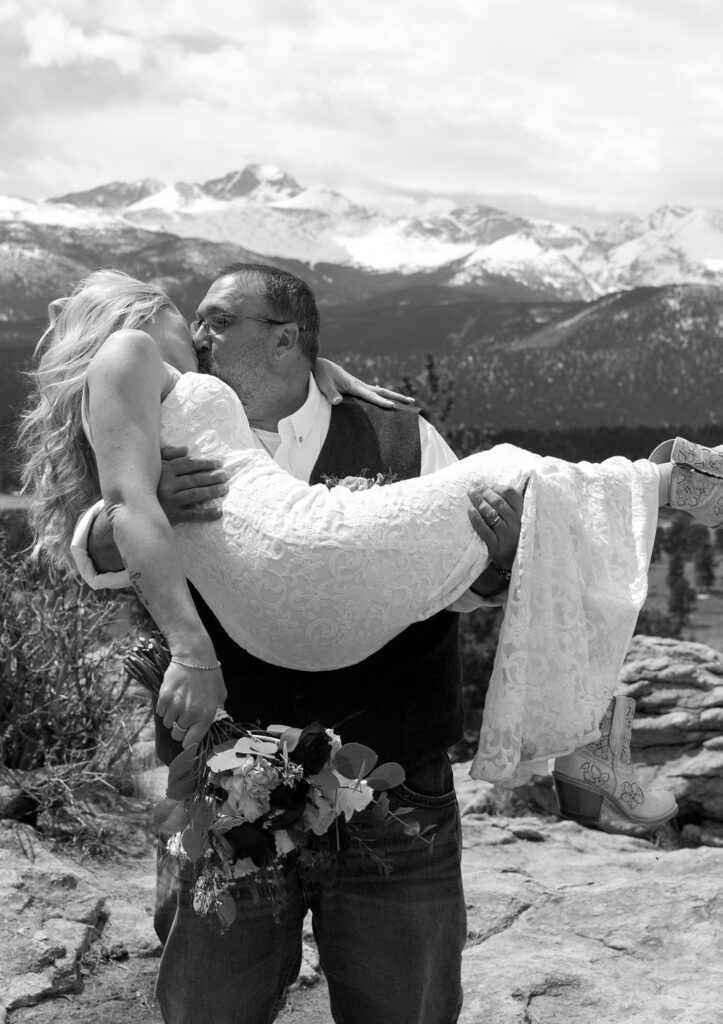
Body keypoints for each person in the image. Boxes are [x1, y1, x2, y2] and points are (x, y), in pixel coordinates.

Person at [20, 265, 715, 1024]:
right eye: (197, 321)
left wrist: (506, 555)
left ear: (285, 340)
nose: (200, 334)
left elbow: (454, 583)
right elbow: (98, 553)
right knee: (209, 1003)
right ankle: (655, 490)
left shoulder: (400, 430)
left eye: (219, 321)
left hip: (395, 777)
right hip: (227, 777)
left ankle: (597, 685)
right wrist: (132, 518)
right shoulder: (167, 418)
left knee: (403, 1003)